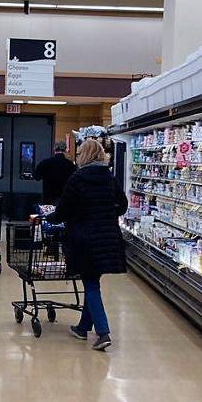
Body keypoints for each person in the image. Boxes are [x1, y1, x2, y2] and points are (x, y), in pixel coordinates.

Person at [46, 138, 128, 351]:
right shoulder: (109, 177)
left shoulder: (78, 178)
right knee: (92, 282)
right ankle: (83, 327)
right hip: (107, 238)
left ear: (84, 155)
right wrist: (107, 214)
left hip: (84, 238)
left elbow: (63, 210)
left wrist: (49, 217)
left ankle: (103, 332)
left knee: (91, 284)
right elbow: (123, 205)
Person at [35, 141, 77, 206]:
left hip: (48, 198)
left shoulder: (45, 163)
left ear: (54, 149)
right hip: (65, 198)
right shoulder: (70, 164)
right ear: (65, 149)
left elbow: (37, 177)